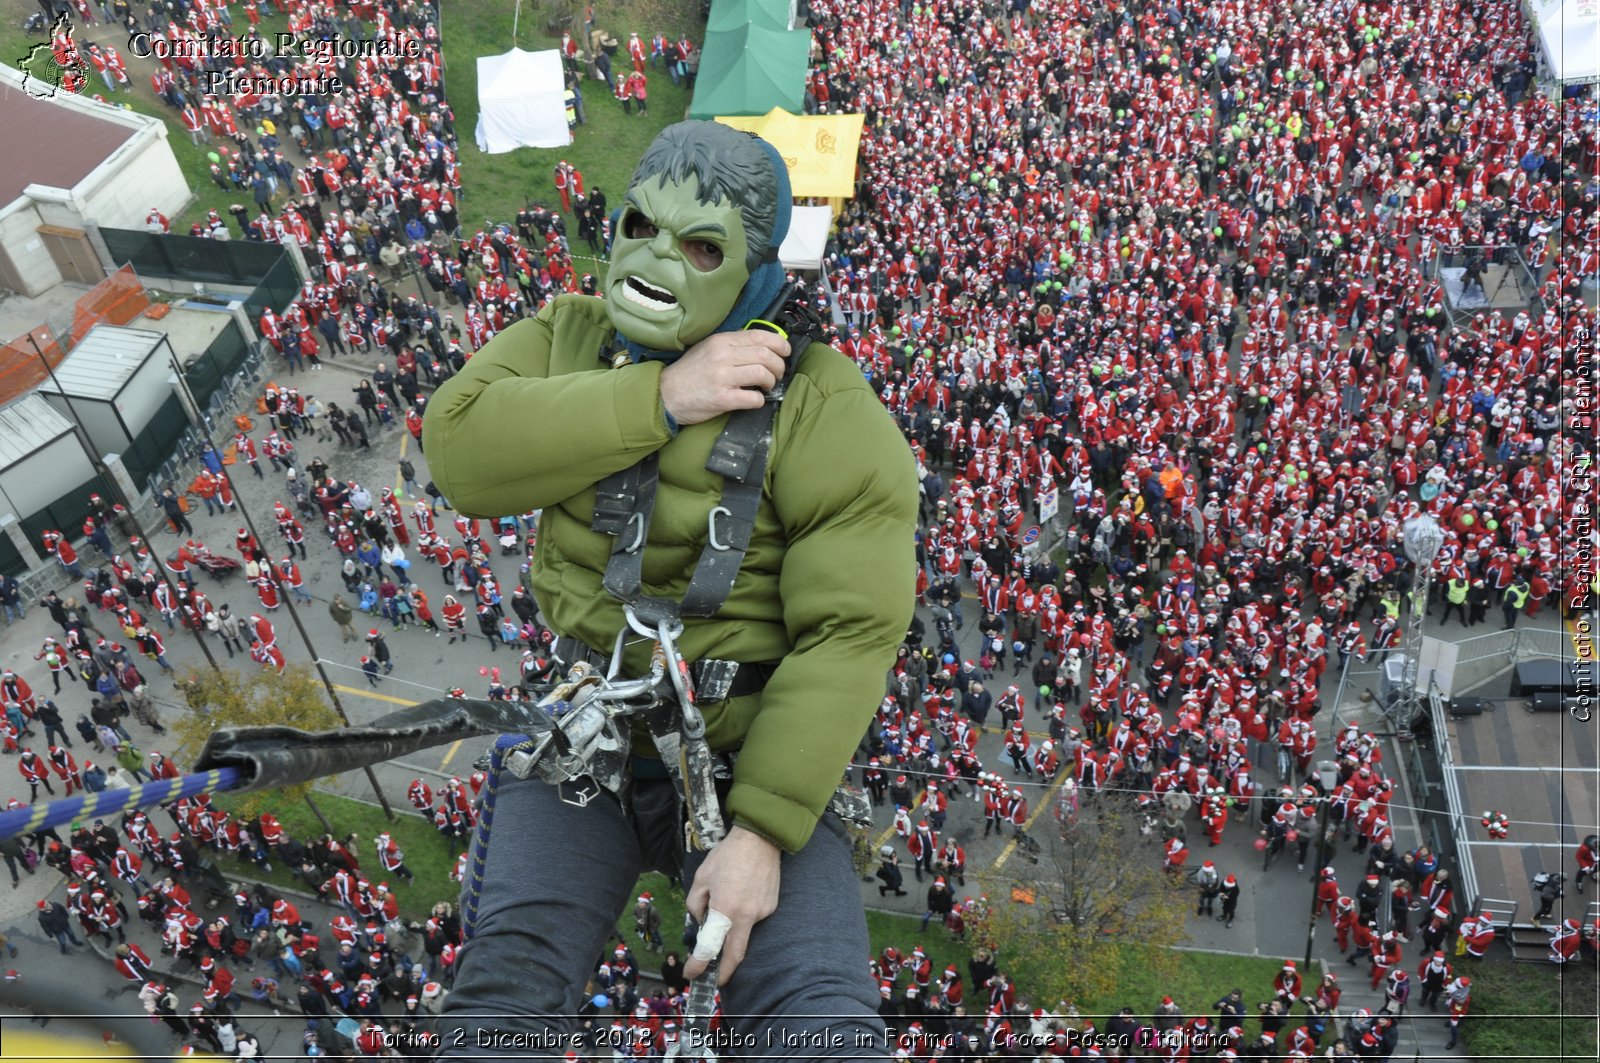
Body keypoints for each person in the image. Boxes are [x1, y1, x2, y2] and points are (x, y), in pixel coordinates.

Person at [425, 121, 916, 1055]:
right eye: (641, 226)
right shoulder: (564, 336)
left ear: (759, 270)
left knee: (817, 1015)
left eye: (700, 246)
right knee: (505, 990)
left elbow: (850, 629)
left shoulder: (824, 404)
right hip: (589, 731)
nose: (660, 260)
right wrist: (659, 398)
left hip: (747, 754)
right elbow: (459, 450)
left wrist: (764, 832)